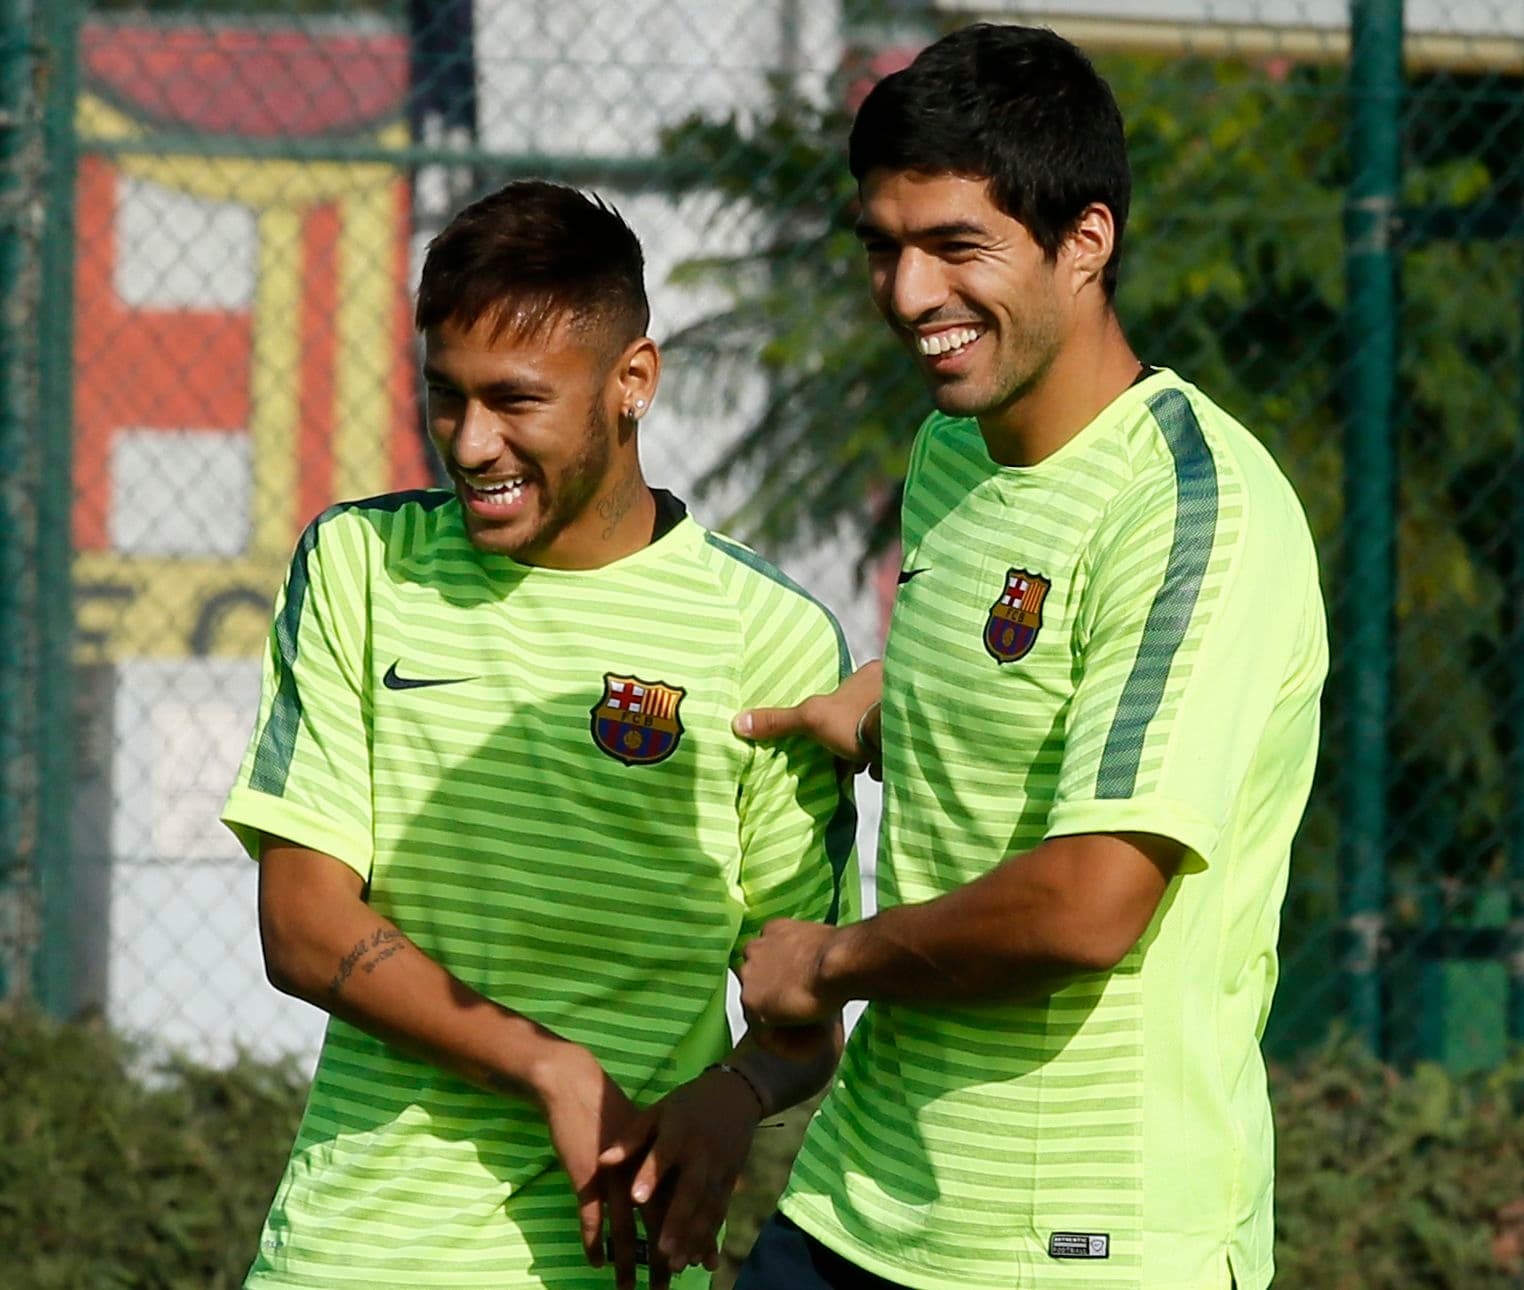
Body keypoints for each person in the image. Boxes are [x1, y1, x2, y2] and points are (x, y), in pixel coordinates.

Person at [730, 24, 1327, 1290]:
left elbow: (1089, 902)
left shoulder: (1191, 508)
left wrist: (827, 961)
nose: (909, 295)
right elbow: (1030, 688)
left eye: (958, 247)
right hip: (862, 1201)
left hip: (1087, 1240)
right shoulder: (954, 450)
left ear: (1086, 239)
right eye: (884, 247)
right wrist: (889, 709)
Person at [220, 179, 857, 1289]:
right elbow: (304, 927)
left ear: (633, 382)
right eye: (446, 397)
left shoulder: (771, 635)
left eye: (515, 400)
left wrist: (738, 1094)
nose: (472, 443)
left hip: (617, 1267)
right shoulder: (362, 567)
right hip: (358, 1253)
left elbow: (799, 1003)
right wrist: (550, 1068)